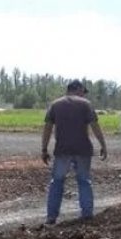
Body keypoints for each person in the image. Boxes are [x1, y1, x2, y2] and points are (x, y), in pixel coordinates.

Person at [41, 79, 108, 225]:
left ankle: (51, 217)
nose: (83, 95)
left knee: (57, 182)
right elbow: (95, 126)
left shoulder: (55, 105)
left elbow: (47, 128)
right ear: (77, 89)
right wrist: (103, 144)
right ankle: (87, 214)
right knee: (84, 181)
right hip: (83, 150)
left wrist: (44, 149)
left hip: (62, 150)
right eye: (83, 91)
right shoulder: (86, 105)